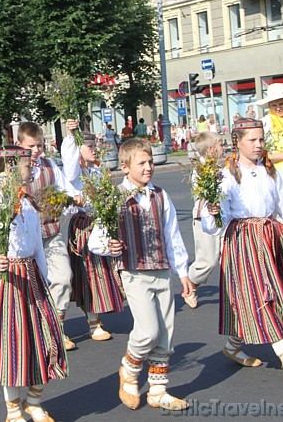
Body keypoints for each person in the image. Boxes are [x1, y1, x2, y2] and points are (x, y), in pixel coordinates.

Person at [202, 118, 283, 382]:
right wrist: (213, 213)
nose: (259, 145)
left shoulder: (270, 171)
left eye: (261, 139)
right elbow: (214, 223)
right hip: (242, 241)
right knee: (263, 296)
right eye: (253, 140)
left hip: (270, 237)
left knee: (261, 297)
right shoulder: (225, 176)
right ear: (237, 141)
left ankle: (232, 345)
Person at [0, 146, 68, 422]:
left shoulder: (30, 206)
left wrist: (45, 282)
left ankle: (34, 400)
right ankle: (13, 409)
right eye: (26, 164)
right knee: (11, 345)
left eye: (32, 163)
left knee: (44, 339)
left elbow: (37, 250)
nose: (32, 168)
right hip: (6, 283)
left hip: (31, 280)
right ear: (9, 170)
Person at [88, 138, 191, 412]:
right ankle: (129, 372)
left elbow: (172, 236)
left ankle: (158, 390)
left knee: (166, 333)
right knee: (147, 330)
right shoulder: (115, 198)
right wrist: (108, 245)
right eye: (141, 163)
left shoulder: (160, 195)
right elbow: (96, 239)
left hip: (161, 269)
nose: (148, 168)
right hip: (133, 270)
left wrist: (183, 273)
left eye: (150, 162)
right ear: (124, 167)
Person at [16, 121, 81, 350]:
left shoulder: (50, 165)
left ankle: (55, 329)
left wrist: (74, 198)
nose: (37, 151)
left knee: (63, 278)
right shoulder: (12, 170)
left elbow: (66, 189)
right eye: (32, 146)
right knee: (29, 289)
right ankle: (31, 331)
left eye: (40, 146)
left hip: (51, 233)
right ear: (19, 145)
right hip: (24, 240)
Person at [61, 120, 124, 341]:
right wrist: (71, 134)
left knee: (100, 272)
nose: (94, 150)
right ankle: (66, 323)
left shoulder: (96, 171)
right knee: (84, 273)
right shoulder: (73, 173)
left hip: (99, 224)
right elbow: (69, 161)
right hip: (83, 227)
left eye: (95, 146)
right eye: (90, 147)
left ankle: (95, 319)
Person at [184, 132, 224, 309]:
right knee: (207, 261)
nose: (223, 148)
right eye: (221, 145)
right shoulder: (200, 171)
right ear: (210, 149)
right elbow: (203, 195)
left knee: (228, 257)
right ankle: (190, 285)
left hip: (223, 217)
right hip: (205, 220)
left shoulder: (218, 167)